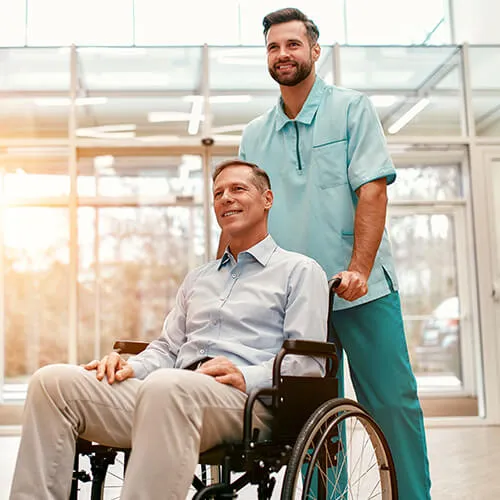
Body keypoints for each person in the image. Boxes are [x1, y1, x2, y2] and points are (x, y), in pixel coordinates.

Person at [9, 159, 329, 500]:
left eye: (238, 189)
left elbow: (308, 364)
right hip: (169, 390)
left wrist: (246, 375)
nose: (226, 199)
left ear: (267, 199)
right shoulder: (200, 278)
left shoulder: (300, 271)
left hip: (246, 401)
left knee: (167, 386)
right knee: (52, 383)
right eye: (218, 193)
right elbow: (168, 348)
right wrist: (132, 366)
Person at [229, 7, 432, 500]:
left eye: (293, 45)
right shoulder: (255, 135)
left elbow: (373, 190)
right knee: (315, 418)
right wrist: (231, 277)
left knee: (393, 403)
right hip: (297, 301)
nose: (283, 55)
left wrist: (360, 268)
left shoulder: (351, 108)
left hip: (362, 290)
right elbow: (243, 215)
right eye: (274, 47)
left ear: (315, 51)